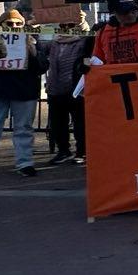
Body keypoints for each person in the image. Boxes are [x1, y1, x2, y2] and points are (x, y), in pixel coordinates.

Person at [0, 9, 44, 178]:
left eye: (18, 24)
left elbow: (43, 66)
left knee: (24, 129)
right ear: (0, 25)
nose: (14, 26)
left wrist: (33, 52)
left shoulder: (32, 40)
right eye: (9, 23)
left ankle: (25, 163)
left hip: (24, 91)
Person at [43, 16, 89, 166]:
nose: (67, 29)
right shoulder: (54, 42)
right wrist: (33, 26)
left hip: (77, 89)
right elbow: (39, 46)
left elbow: (90, 42)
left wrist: (81, 22)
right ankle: (63, 151)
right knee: (57, 124)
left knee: (80, 123)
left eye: (71, 25)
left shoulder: (83, 41)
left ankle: (82, 151)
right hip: (56, 88)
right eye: (63, 25)